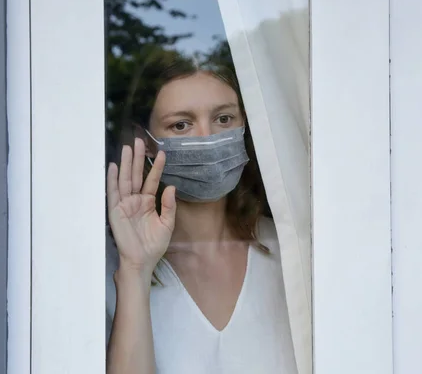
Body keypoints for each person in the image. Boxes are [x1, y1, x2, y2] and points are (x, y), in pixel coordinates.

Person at [105, 53, 297, 374]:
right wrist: (136, 270)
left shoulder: (291, 251)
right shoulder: (109, 271)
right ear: (147, 143)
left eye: (223, 119)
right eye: (181, 124)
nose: (207, 137)